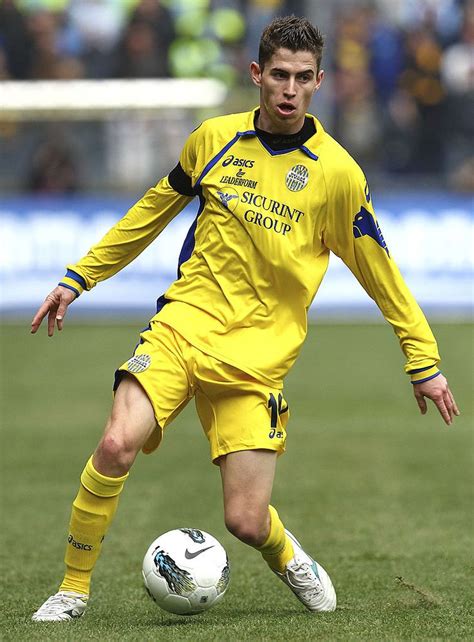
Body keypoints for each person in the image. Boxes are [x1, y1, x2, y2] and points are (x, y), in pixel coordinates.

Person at [31, 15, 459, 622]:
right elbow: (149, 213)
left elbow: (381, 274)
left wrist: (424, 361)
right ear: (256, 75)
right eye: (279, 75)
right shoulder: (213, 140)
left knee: (245, 520)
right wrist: (79, 278)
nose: (289, 89)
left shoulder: (337, 175)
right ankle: (72, 588)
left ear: (319, 83)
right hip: (182, 328)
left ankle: (290, 557)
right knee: (114, 444)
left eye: (303, 78)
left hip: (257, 361)